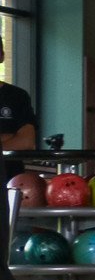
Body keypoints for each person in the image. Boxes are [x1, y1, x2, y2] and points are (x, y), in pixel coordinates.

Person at [0, 38, 38, 182]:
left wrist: (17, 139)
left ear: (2, 56)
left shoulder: (17, 96)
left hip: (10, 182)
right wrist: (9, 137)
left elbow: (27, 142)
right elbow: (18, 141)